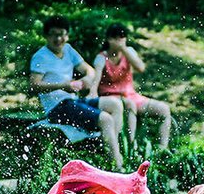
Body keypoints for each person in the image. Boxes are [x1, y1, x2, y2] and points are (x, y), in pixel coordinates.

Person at [29, 16, 125, 171]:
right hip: (57, 108)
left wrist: (87, 79)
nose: (58, 39)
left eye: (62, 34)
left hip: (73, 100)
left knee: (115, 104)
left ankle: (111, 152)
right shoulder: (40, 56)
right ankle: (118, 167)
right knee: (105, 119)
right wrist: (62, 86)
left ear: (67, 36)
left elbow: (89, 70)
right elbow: (34, 85)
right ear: (46, 35)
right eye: (54, 34)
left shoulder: (68, 50)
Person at [91, 23, 172, 149]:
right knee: (129, 105)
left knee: (164, 109)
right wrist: (93, 93)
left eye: (122, 37)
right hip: (111, 97)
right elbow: (95, 78)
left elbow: (140, 67)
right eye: (115, 38)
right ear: (108, 39)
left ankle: (162, 149)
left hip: (131, 95)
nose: (119, 40)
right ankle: (131, 147)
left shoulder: (129, 52)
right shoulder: (101, 58)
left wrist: (123, 50)